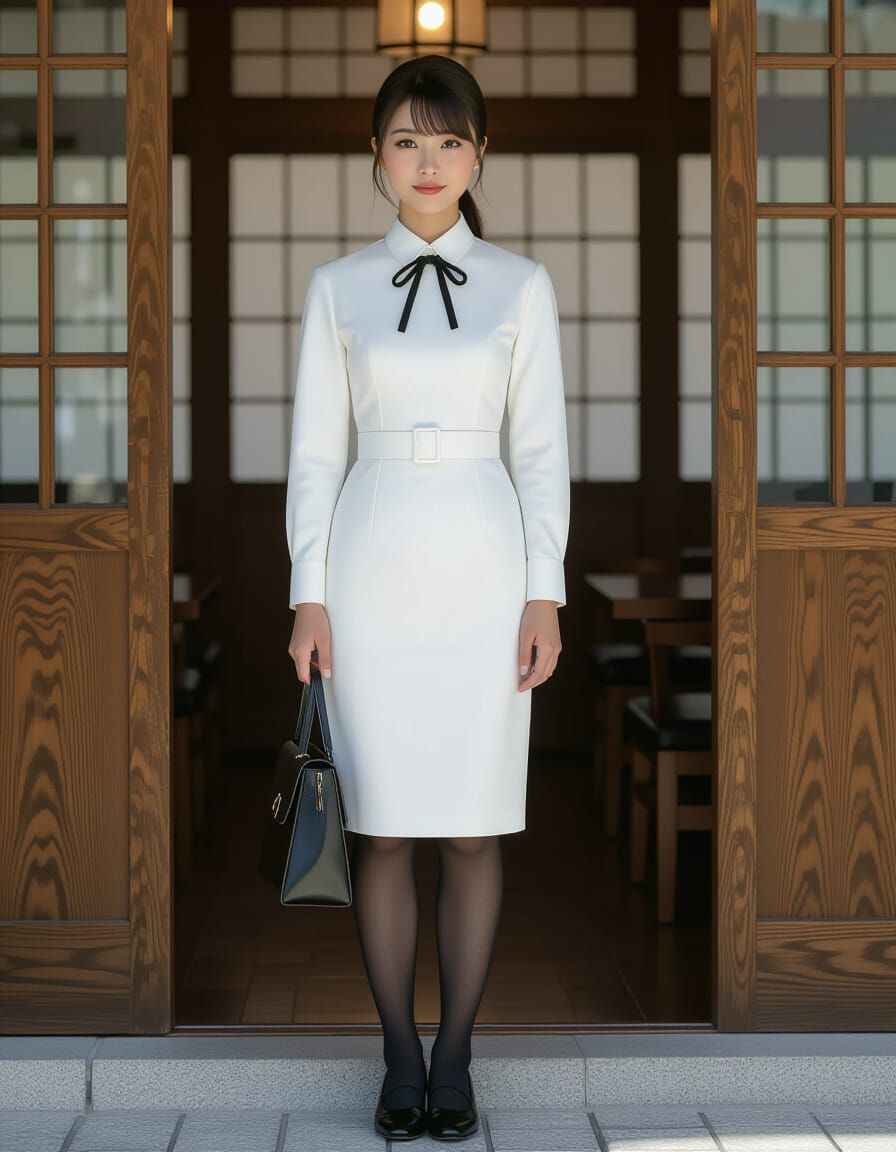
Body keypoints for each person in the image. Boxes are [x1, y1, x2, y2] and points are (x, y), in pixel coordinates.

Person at [286, 53, 570, 1143]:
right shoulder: (336, 288)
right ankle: (396, 1059)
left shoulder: (521, 286)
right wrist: (307, 596)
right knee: (386, 829)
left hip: (484, 564)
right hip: (368, 565)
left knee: (470, 827)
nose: (427, 161)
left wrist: (542, 592)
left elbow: (539, 452)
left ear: (478, 155)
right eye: (406, 139)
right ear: (375, 157)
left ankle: (454, 1060)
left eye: (448, 141)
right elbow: (314, 455)